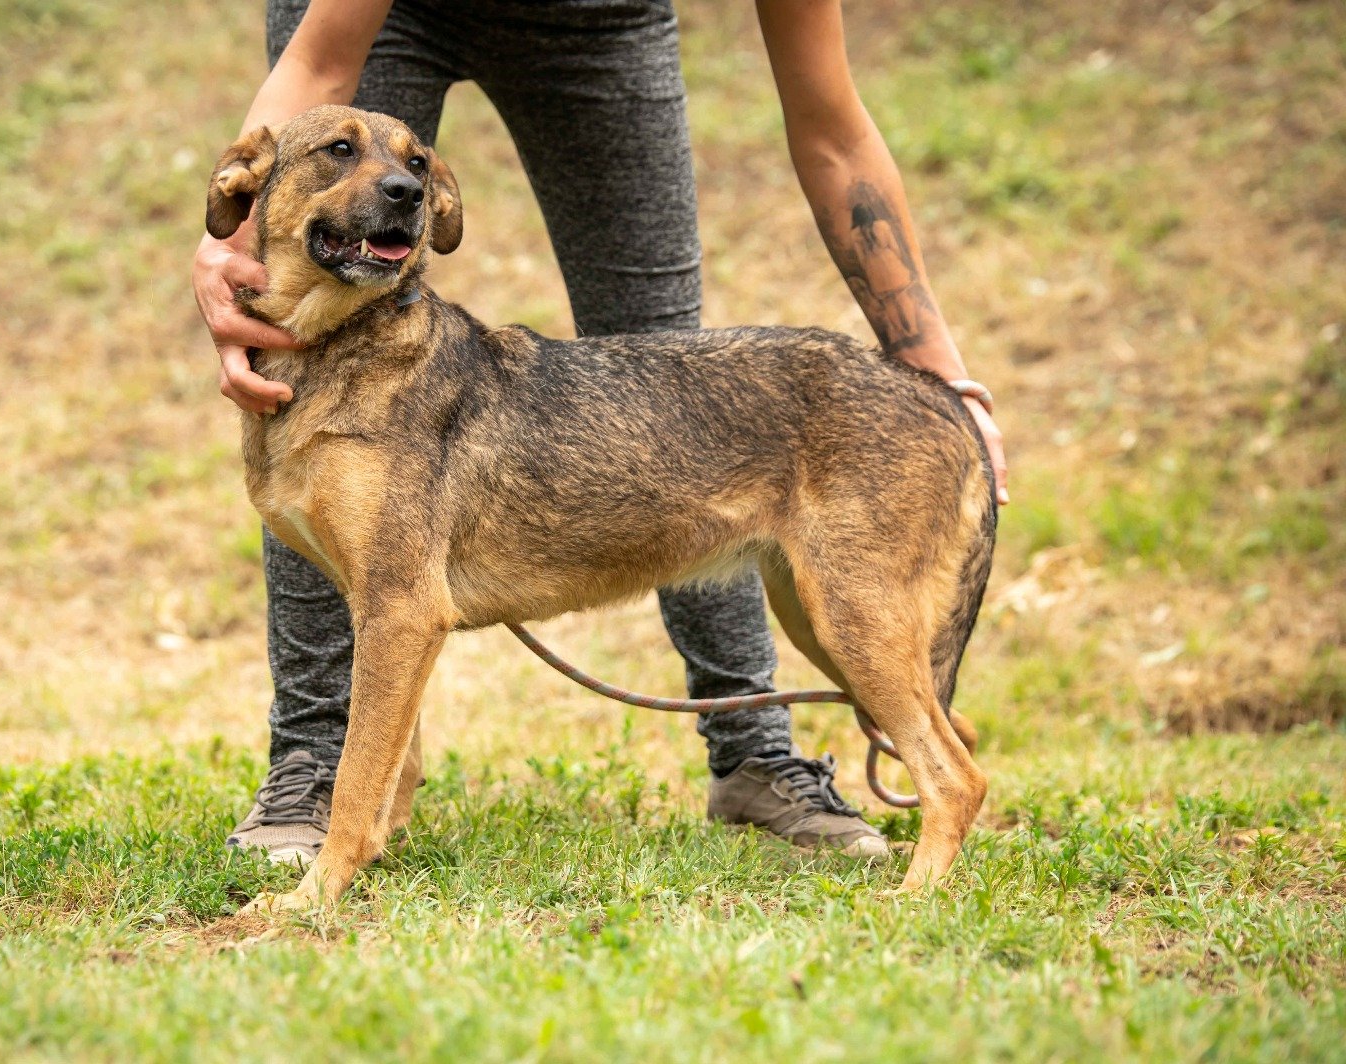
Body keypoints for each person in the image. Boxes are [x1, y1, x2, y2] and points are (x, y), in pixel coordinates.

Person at [191, 0, 1009, 870]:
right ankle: (316, 775)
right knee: (384, 587)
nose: (401, 185)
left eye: (417, 175)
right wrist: (229, 241)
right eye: (343, 156)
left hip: (605, 29)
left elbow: (836, 131)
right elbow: (316, 71)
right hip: (386, 17)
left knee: (667, 350)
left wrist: (933, 378)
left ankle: (766, 754)